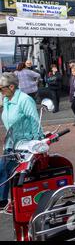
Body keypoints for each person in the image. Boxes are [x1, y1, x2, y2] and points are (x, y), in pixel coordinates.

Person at [0, 73, 42, 213]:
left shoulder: (24, 100)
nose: (1, 91)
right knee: (4, 171)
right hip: (11, 144)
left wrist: (37, 143)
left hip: (25, 145)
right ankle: (4, 202)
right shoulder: (6, 100)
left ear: (11, 87)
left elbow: (35, 121)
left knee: (16, 175)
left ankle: (17, 204)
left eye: (1, 88)